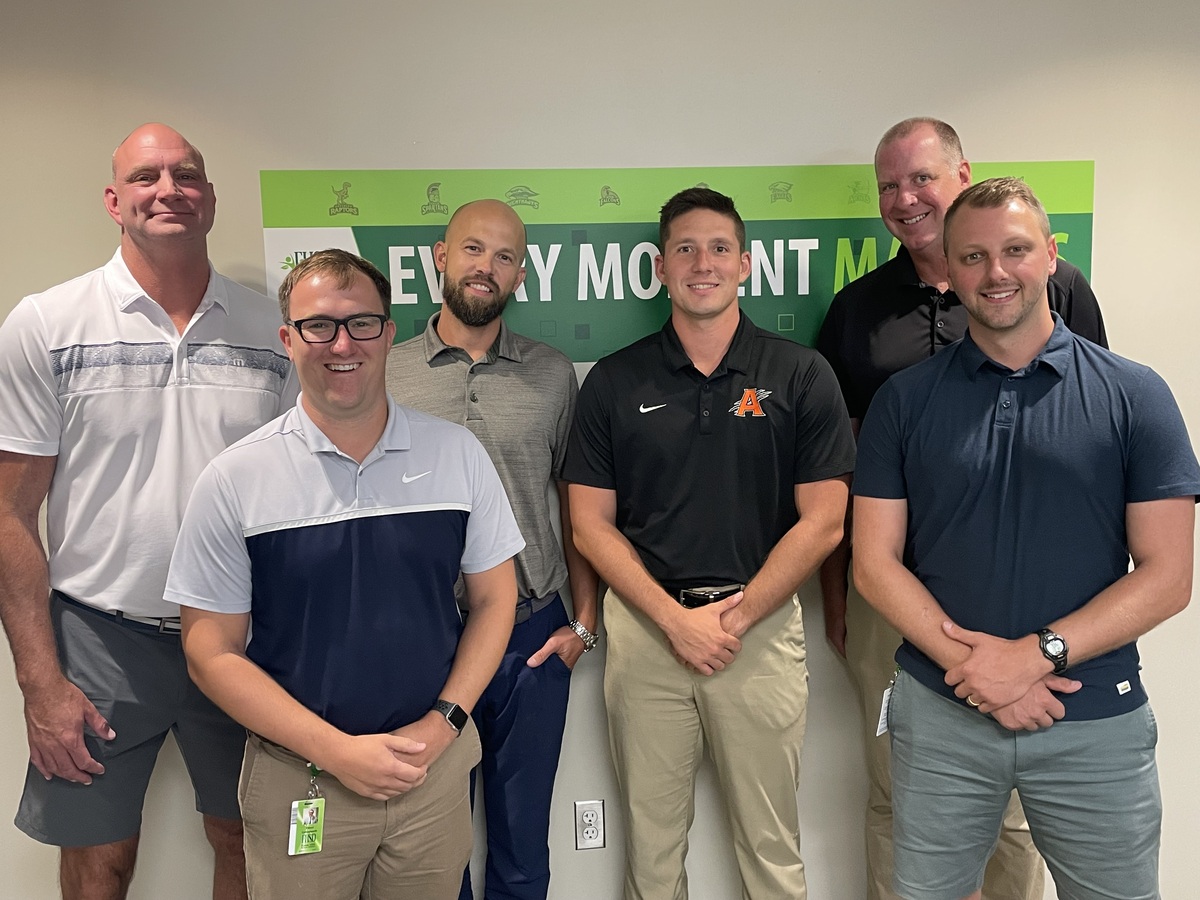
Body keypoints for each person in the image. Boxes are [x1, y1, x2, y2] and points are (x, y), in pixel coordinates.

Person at [852, 177, 1199, 900]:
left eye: (1014, 250)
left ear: (1049, 256)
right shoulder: (903, 402)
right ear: (948, 270)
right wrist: (981, 672)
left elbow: (1167, 574)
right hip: (943, 715)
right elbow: (875, 565)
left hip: (1095, 714)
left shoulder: (1136, 395)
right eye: (972, 257)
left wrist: (1037, 655)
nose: (996, 272)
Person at [165, 249, 524, 899]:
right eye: (318, 326)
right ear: (287, 339)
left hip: (430, 775)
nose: (341, 344)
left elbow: (496, 600)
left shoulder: (456, 456)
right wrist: (336, 752)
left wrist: (442, 722)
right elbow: (208, 651)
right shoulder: (236, 479)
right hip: (301, 779)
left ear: (388, 333)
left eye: (361, 323)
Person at [0, 123, 296, 900]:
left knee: (247, 839)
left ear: (209, 198)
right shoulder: (47, 325)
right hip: (99, 636)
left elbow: (304, 499)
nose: (168, 189)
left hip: (242, 632)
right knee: (100, 858)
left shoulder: (272, 334)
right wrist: (39, 682)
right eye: (146, 177)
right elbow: (11, 513)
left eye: (186, 174)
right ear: (114, 200)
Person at [815, 117, 1108, 900]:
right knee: (897, 794)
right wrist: (840, 593)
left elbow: (1089, 433)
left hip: (1022, 599)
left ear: (963, 175)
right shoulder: (855, 312)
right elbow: (836, 473)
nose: (905, 199)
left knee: (1014, 804)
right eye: (889, 186)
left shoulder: (1061, 290)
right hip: (895, 595)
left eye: (921, 178)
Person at [564, 188, 856, 899]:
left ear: (746, 264)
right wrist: (673, 621)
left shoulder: (799, 373)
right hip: (646, 635)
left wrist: (737, 616)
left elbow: (825, 520)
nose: (703, 263)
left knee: (771, 847)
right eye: (685, 249)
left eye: (719, 248)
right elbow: (588, 524)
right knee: (652, 852)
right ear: (660, 268)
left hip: (756, 635)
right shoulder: (614, 380)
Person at [386, 199, 599, 900]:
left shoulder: (552, 374)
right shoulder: (386, 372)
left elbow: (576, 504)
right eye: (473, 250)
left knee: (520, 842)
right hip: (424, 637)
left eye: (505, 256)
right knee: (433, 847)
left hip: (531, 635)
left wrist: (581, 624)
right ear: (441, 258)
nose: (487, 267)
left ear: (520, 275)